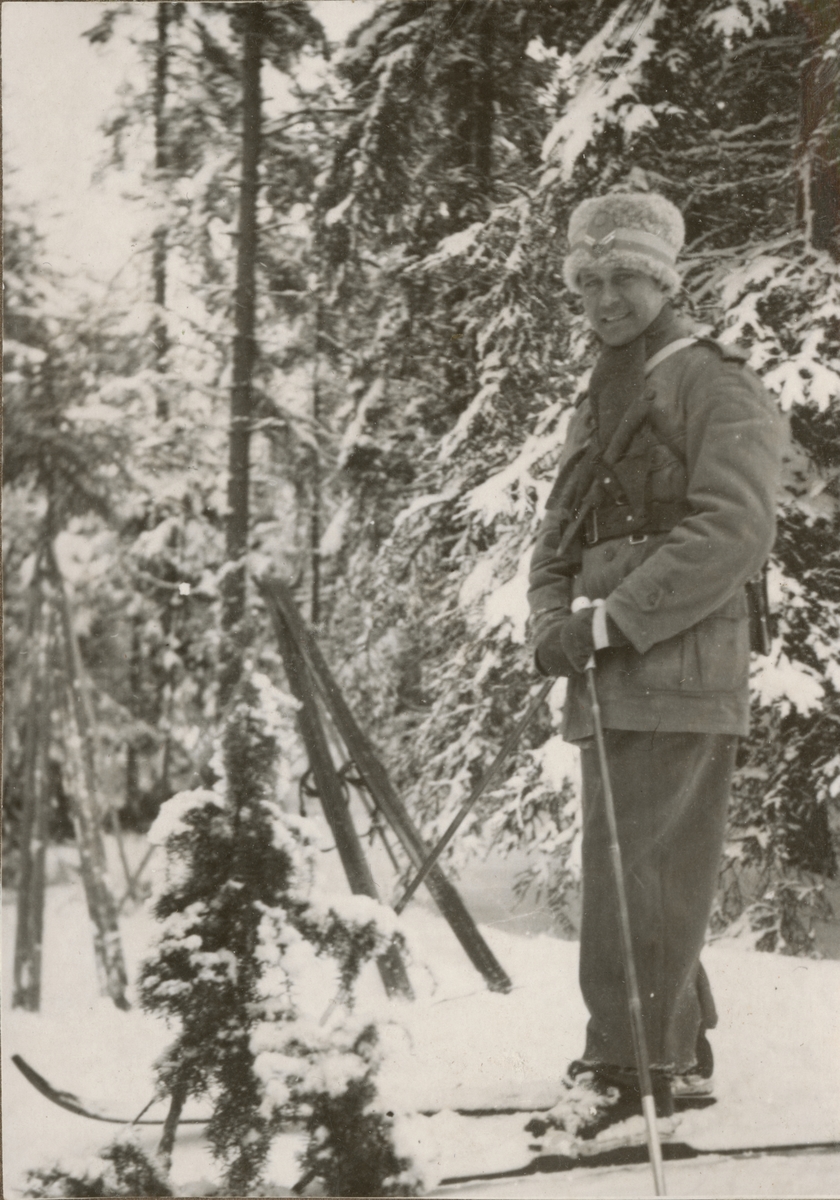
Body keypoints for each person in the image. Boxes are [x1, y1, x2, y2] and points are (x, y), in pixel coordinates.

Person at [526, 190, 783, 1144]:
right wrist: (553, 618)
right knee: (631, 865)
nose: (603, 298)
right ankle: (678, 1051)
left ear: (664, 279)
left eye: (624, 277)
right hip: (610, 668)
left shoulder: (710, 382)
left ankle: (632, 1072)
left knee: (644, 869)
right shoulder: (601, 392)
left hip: (678, 663)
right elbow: (558, 531)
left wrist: (610, 623)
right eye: (587, 281)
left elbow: (734, 529)